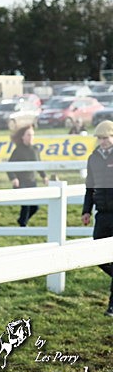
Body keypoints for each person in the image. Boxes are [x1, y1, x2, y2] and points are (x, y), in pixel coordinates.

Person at [82, 120, 113, 316]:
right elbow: (89, 187)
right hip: (101, 214)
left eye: (105, 138)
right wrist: (86, 210)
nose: (102, 141)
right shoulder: (93, 158)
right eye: (100, 138)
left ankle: (112, 306)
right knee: (97, 254)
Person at [7, 125, 47, 227]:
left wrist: (44, 176)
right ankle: (23, 226)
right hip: (21, 182)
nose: (31, 137)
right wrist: (13, 178)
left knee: (35, 207)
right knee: (26, 205)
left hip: (32, 182)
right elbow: (9, 166)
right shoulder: (18, 150)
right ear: (23, 137)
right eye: (28, 135)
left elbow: (39, 165)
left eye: (32, 135)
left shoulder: (35, 149)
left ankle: (21, 221)